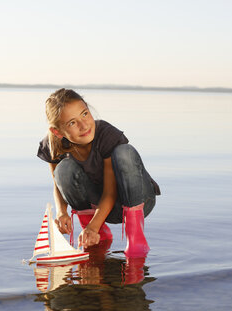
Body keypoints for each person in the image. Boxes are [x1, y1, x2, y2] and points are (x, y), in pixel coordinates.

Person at [37, 88, 160, 257]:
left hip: (137, 200)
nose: (83, 125)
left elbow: (110, 192)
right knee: (62, 170)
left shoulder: (106, 135)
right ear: (57, 132)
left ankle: (136, 239)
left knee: (124, 152)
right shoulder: (52, 145)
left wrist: (92, 225)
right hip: (100, 209)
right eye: (72, 123)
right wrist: (62, 212)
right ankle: (96, 235)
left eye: (85, 114)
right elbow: (57, 184)